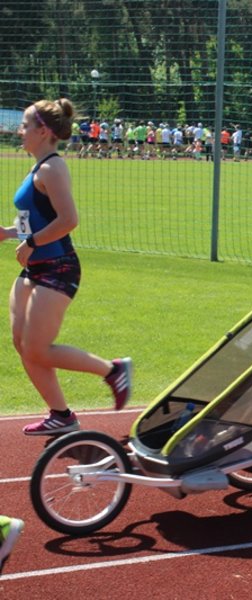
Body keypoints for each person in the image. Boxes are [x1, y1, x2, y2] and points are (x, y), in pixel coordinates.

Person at [2, 99, 132, 435]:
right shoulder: (37, 167)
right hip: (35, 268)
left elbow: (68, 220)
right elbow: (38, 220)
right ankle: (61, 415)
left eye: (25, 125)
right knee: (22, 343)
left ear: (42, 131)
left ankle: (113, 371)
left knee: (38, 348)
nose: (20, 131)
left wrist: (30, 244)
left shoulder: (51, 168)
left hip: (58, 268)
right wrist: (9, 233)